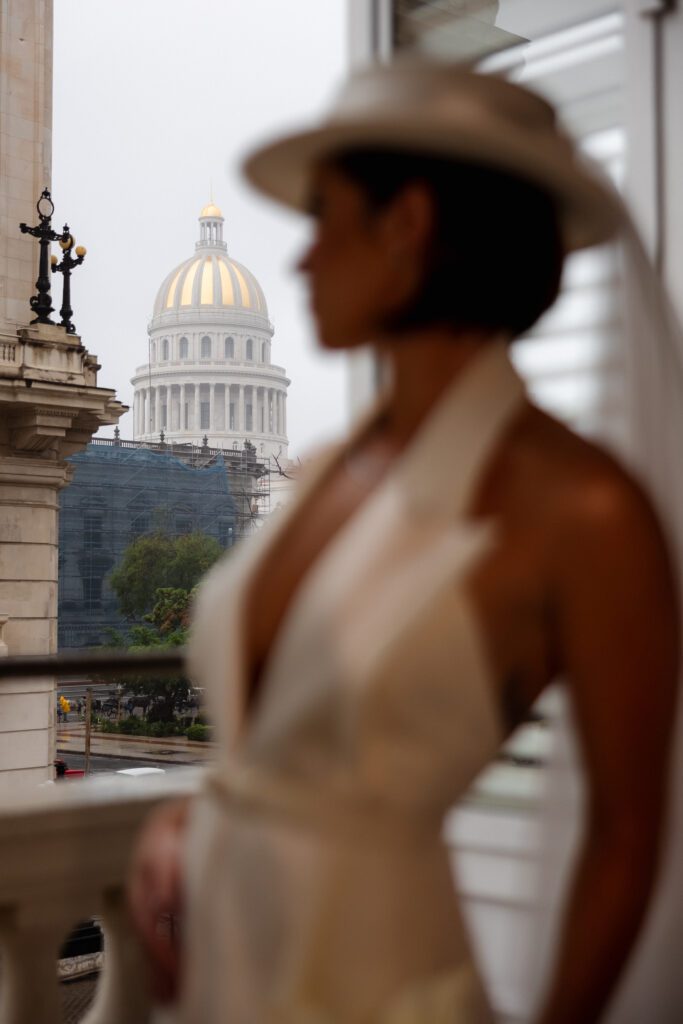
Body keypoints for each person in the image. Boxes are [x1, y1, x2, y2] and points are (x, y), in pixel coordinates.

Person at [128, 62, 679, 1023]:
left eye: (325, 217)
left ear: (408, 226)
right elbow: (281, 740)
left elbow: (630, 841)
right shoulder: (326, 470)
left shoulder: (586, 511)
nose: (298, 262)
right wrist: (193, 822)